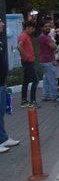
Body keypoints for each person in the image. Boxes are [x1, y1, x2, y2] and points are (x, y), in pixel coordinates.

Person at [0, 19, 20, 154]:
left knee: (0, 113)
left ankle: (3, 138)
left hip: (1, 83)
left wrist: (5, 81)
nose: (2, 24)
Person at [18, 21, 39, 108]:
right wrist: (26, 56)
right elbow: (19, 46)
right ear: (27, 28)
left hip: (28, 61)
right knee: (35, 80)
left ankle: (24, 101)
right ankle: (32, 101)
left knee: (26, 81)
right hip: (28, 62)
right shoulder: (23, 35)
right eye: (32, 28)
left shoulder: (26, 35)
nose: (33, 30)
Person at [38, 21, 58, 102]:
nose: (48, 28)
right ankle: (54, 96)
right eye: (45, 26)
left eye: (49, 26)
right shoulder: (44, 37)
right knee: (52, 79)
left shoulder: (46, 36)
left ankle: (45, 95)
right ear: (42, 28)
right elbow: (53, 46)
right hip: (47, 61)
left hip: (45, 60)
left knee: (46, 80)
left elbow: (53, 46)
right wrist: (54, 45)